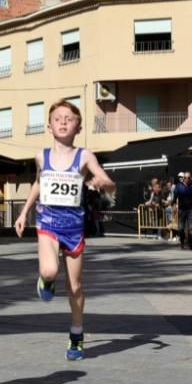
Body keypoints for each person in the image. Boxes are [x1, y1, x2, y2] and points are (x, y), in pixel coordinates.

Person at [14, 99, 116, 361]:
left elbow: (106, 181)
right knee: (49, 270)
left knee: (76, 287)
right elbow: (38, 184)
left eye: (68, 119)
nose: (62, 122)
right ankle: (46, 280)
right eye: (57, 118)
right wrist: (24, 212)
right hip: (47, 223)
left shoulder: (84, 156)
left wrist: (104, 183)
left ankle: (76, 335)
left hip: (74, 228)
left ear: (78, 127)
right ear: (49, 126)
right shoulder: (41, 156)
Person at [173, 171, 192, 249]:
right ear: (183, 178)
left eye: (188, 178)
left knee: (191, 229)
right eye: (185, 178)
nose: (187, 179)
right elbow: (175, 197)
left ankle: (190, 244)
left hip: (190, 210)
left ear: (190, 178)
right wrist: (174, 205)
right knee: (180, 228)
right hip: (181, 210)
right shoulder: (178, 186)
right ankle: (182, 242)